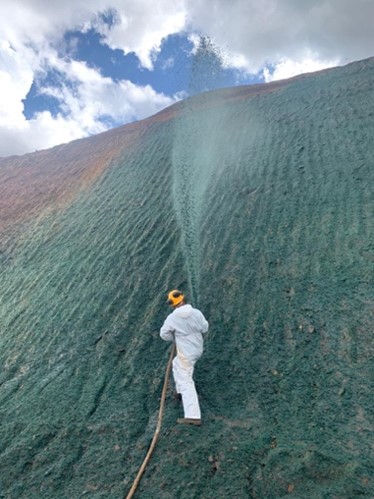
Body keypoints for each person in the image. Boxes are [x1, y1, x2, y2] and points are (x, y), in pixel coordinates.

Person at [160, 289, 209, 426]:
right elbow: (205, 328)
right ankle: (180, 391)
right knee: (177, 365)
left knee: (186, 379)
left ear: (172, 304)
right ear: (183, 299)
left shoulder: (172, 318)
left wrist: (175, 336)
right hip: (197, 349)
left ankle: (193, 415)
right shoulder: (196, 313)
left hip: (185, 352)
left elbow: (163, 334)